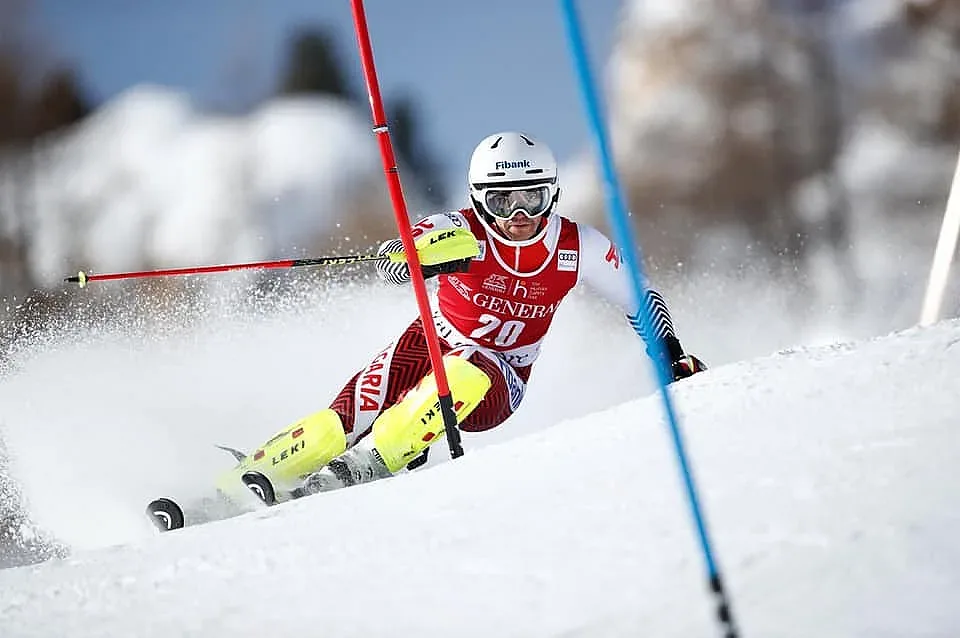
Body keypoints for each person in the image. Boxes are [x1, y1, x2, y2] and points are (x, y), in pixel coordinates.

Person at [233, 132, 705, 502]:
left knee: (466, 371)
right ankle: (251, 477)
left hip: (499, 377)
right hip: (429, 342)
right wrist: (406, 257)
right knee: (345, 417)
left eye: (533, 199)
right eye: (503, 201)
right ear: (481, 199)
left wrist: (672, 357)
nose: (518, 215)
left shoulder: (578, 247)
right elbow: (412, 243)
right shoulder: (461, 230)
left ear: (552, 195)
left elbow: (639, 297)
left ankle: (370, 462)